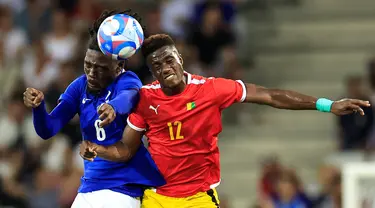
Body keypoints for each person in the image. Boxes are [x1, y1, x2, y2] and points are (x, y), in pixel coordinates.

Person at [80, 34, 370, 208]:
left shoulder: (212, 89)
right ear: (152, 73)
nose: (164, 67)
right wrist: (99, 150)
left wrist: (327, 104)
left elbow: (269, 95)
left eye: (168, 59)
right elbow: (127, 150)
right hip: (156, 198)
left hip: (199, 199)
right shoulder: (145, 99)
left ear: (180, 58)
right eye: (156, 65)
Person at [22, 10, 165, 208]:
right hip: (90, 186)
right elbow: (48, 130)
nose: (91, 72)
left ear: (117, 67)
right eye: (87, 65)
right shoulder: (79, 87)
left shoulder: (127, 80)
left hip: (122, 187)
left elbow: (129, 97)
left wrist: (113, 107)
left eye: (99, 68)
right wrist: (38, 109)